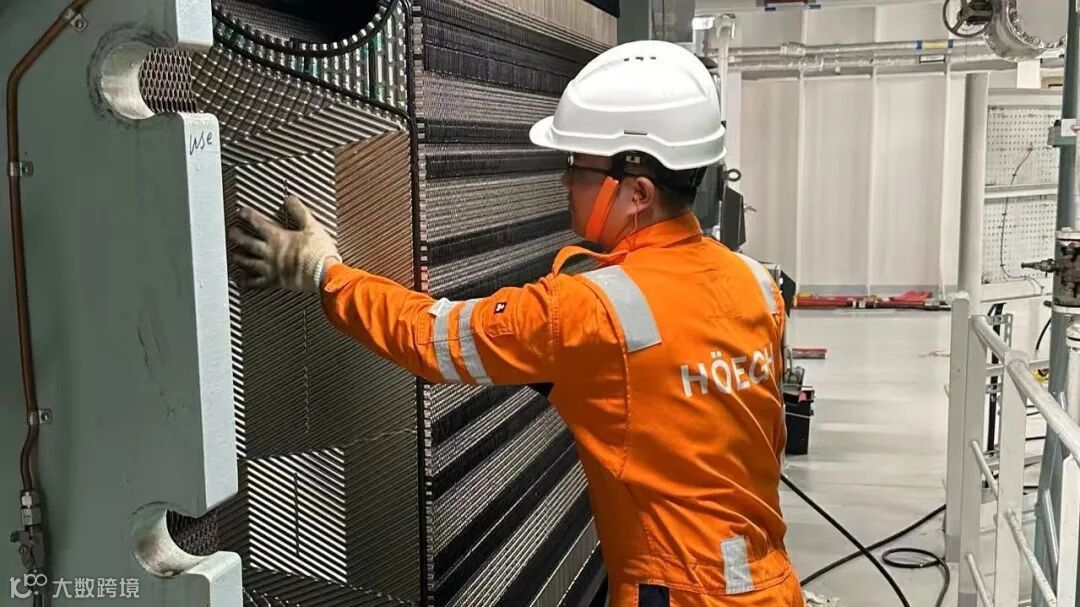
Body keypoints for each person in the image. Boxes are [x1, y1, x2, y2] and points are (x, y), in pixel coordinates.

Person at [229, 39, 802, 607]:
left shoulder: (587, 310)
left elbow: (430, 337)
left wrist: (323, 272)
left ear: (637, 192)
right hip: (773, 587)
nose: (565, 182)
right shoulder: (757, 285)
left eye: (577, 166)